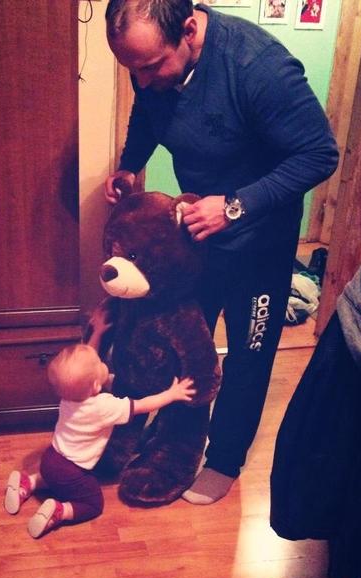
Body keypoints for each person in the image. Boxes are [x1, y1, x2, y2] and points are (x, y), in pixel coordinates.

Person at [104, 0, 339, 504]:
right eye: (132, 70)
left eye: (151, 67)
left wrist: (234, 207)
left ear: (189, 30)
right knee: (184, 341)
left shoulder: (258, 67)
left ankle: (225, 459)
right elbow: (147, 112)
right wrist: (130, 164)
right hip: (196, 238)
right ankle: (176, 443)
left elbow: (320, 154)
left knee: (249, 354)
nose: (142, 80)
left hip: (260, 241)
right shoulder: (150, 68)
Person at [4, 343, 195, 538]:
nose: (103, 363)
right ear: (96, 385)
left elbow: (80, 366)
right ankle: (60, 511)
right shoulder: (104, 407)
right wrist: (172, 394)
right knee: (93, 504)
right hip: (72, 471)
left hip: (50, 458)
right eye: (99, 363)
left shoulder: (67, 397)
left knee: (56, 479)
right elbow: (143, 405)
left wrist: (97, 333)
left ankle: (28, 482)